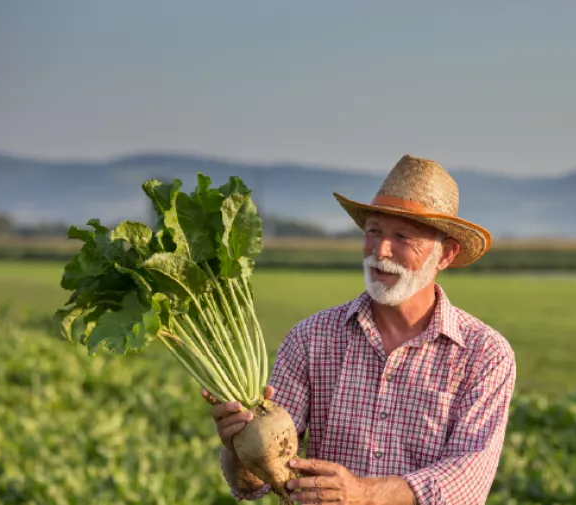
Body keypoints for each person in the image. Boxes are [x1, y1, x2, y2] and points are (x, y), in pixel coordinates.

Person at [203, 154, 517, 504]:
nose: (381, 250)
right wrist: (237, 448)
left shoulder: (484, 354)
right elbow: (254, 484)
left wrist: (363, 494)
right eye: (373, 232)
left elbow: (466, 482)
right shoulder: (311, 338)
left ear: (445, 255)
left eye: (402, 237)